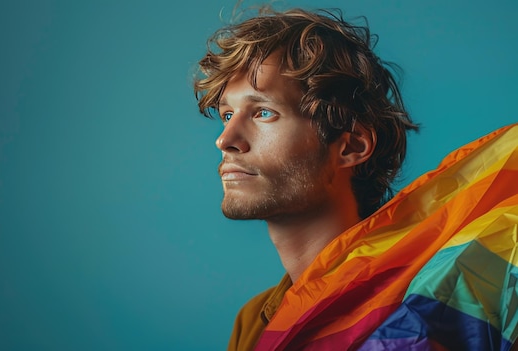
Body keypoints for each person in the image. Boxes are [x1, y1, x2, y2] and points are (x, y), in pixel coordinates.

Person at [194, 5, 518, 351]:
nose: (225, 139)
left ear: (350, 147)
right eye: (227, 113)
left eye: (263, 112)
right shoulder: (256, 321)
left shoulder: (440, 292)